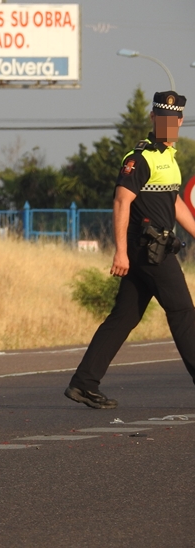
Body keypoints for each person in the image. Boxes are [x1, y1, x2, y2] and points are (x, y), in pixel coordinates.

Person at [65, 90, 195, 409]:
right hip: (147, 249)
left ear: (179, 122)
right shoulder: (139, 158)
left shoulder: (169, 159)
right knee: (182, 312)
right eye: (162, 119)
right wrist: (119, 251)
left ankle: (84, 383)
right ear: (153, 119)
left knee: (124, 317)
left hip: (155, 247)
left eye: (173, 120)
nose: (168, 125)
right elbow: (122, 202)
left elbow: (174, 201)